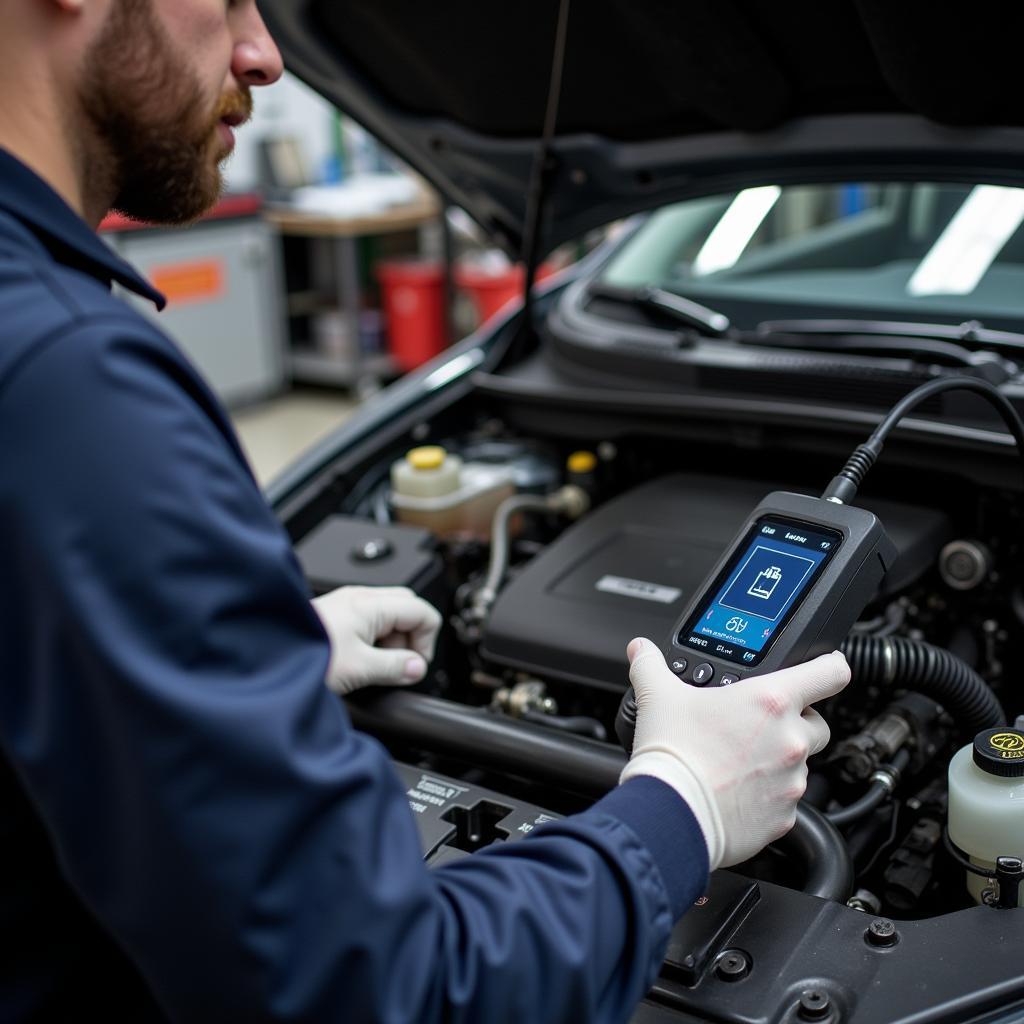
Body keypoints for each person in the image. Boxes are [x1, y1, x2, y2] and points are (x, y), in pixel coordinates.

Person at [0, 1, 851, 1021]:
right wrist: (682, 802)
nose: (265, 54)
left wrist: (249, 662)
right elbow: (379, 990)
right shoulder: (71, 386)